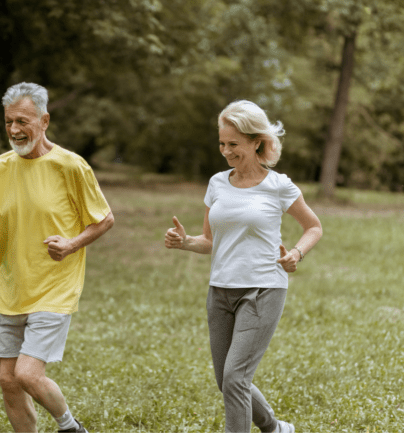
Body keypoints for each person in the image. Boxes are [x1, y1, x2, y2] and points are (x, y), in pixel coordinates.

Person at [0, 82, 114, 433]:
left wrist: (72, 245)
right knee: (8, 381)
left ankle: (69, 426)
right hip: (10, 289)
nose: (14, 130)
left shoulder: (71, 166)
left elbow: (104, 218)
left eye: (22, 121)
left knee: (27, 374)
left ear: (44, 121)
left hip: (54, 288)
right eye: (8, 122)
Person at [164, 100, 322, 433]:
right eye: (222, 143)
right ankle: (276, 428)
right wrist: (185, 242)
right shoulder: (217, 183)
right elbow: (209, 241)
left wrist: (296, 253)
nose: (226, 151)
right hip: (220, 291)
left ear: (256, 142)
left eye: (233, 144)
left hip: (263, 288)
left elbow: (314, 226)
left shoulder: (278, 185)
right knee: (227, 381)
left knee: (236, 377)